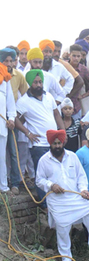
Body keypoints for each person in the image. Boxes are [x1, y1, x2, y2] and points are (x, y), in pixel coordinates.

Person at [35, 129, 89, 261]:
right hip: (57, 201)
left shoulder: (72, 156)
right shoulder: (44, 160)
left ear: (64, 142)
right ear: (50, 144)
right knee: (63, 225)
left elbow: (81, 176)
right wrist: (51, 185)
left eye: (59, 143)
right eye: (55, 143)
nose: (57, 146)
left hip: (75, 197)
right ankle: (66, 257)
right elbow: (39, 180)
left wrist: (83, 189)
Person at [15, 71, 64, 178]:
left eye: (40, 82)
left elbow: (56, 114)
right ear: (30, 83)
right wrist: (28, 133)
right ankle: (42, 195)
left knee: (55, 173)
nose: (38, 85)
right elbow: (15, 119)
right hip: (38, 144)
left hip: (53, 142)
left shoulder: (49, 96)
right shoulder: (23, 101)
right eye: (35, 82)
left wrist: (62, 132)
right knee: (42, 175)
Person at [1, 48, 28, 192]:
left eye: (11, 60)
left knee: (9, 153)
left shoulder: (12, 78)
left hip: (8, 122)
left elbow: (18, 100)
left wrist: (14, 118)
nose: (8, 63)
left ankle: (10, 185)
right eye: (5, 61)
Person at [0, 61, 16, 193]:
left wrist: (11, 118)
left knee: (1, 157)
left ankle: (3, 187)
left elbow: (10, 101)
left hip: (1, 125)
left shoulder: (5, 76)